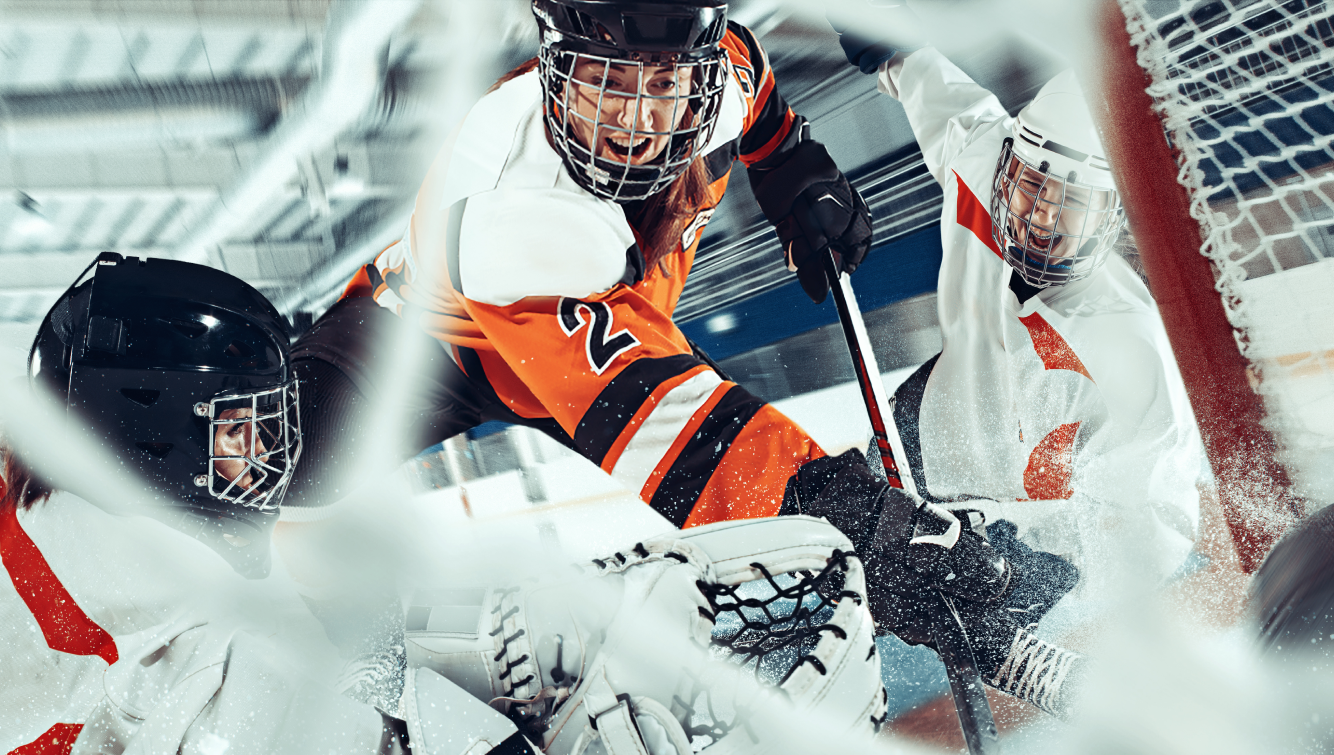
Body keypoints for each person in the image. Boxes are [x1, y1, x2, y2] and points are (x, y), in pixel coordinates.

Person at [0, 252, 555, 755]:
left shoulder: (69, 540)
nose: (268, 452)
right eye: (238, 428)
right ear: (152, 441)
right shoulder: (121, 613)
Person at [830, 5, 1206, 607]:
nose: (1039, 218)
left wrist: (1035, 567)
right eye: (1033, 189)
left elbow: (1154, 526)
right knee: (844, 543)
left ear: (1112, 220)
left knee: (923, 595)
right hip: (931, 426)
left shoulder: (1129, 343)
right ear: (1009, 167)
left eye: (1069, 204)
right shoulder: (984, 160)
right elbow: (927, 79)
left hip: (1022, 531)